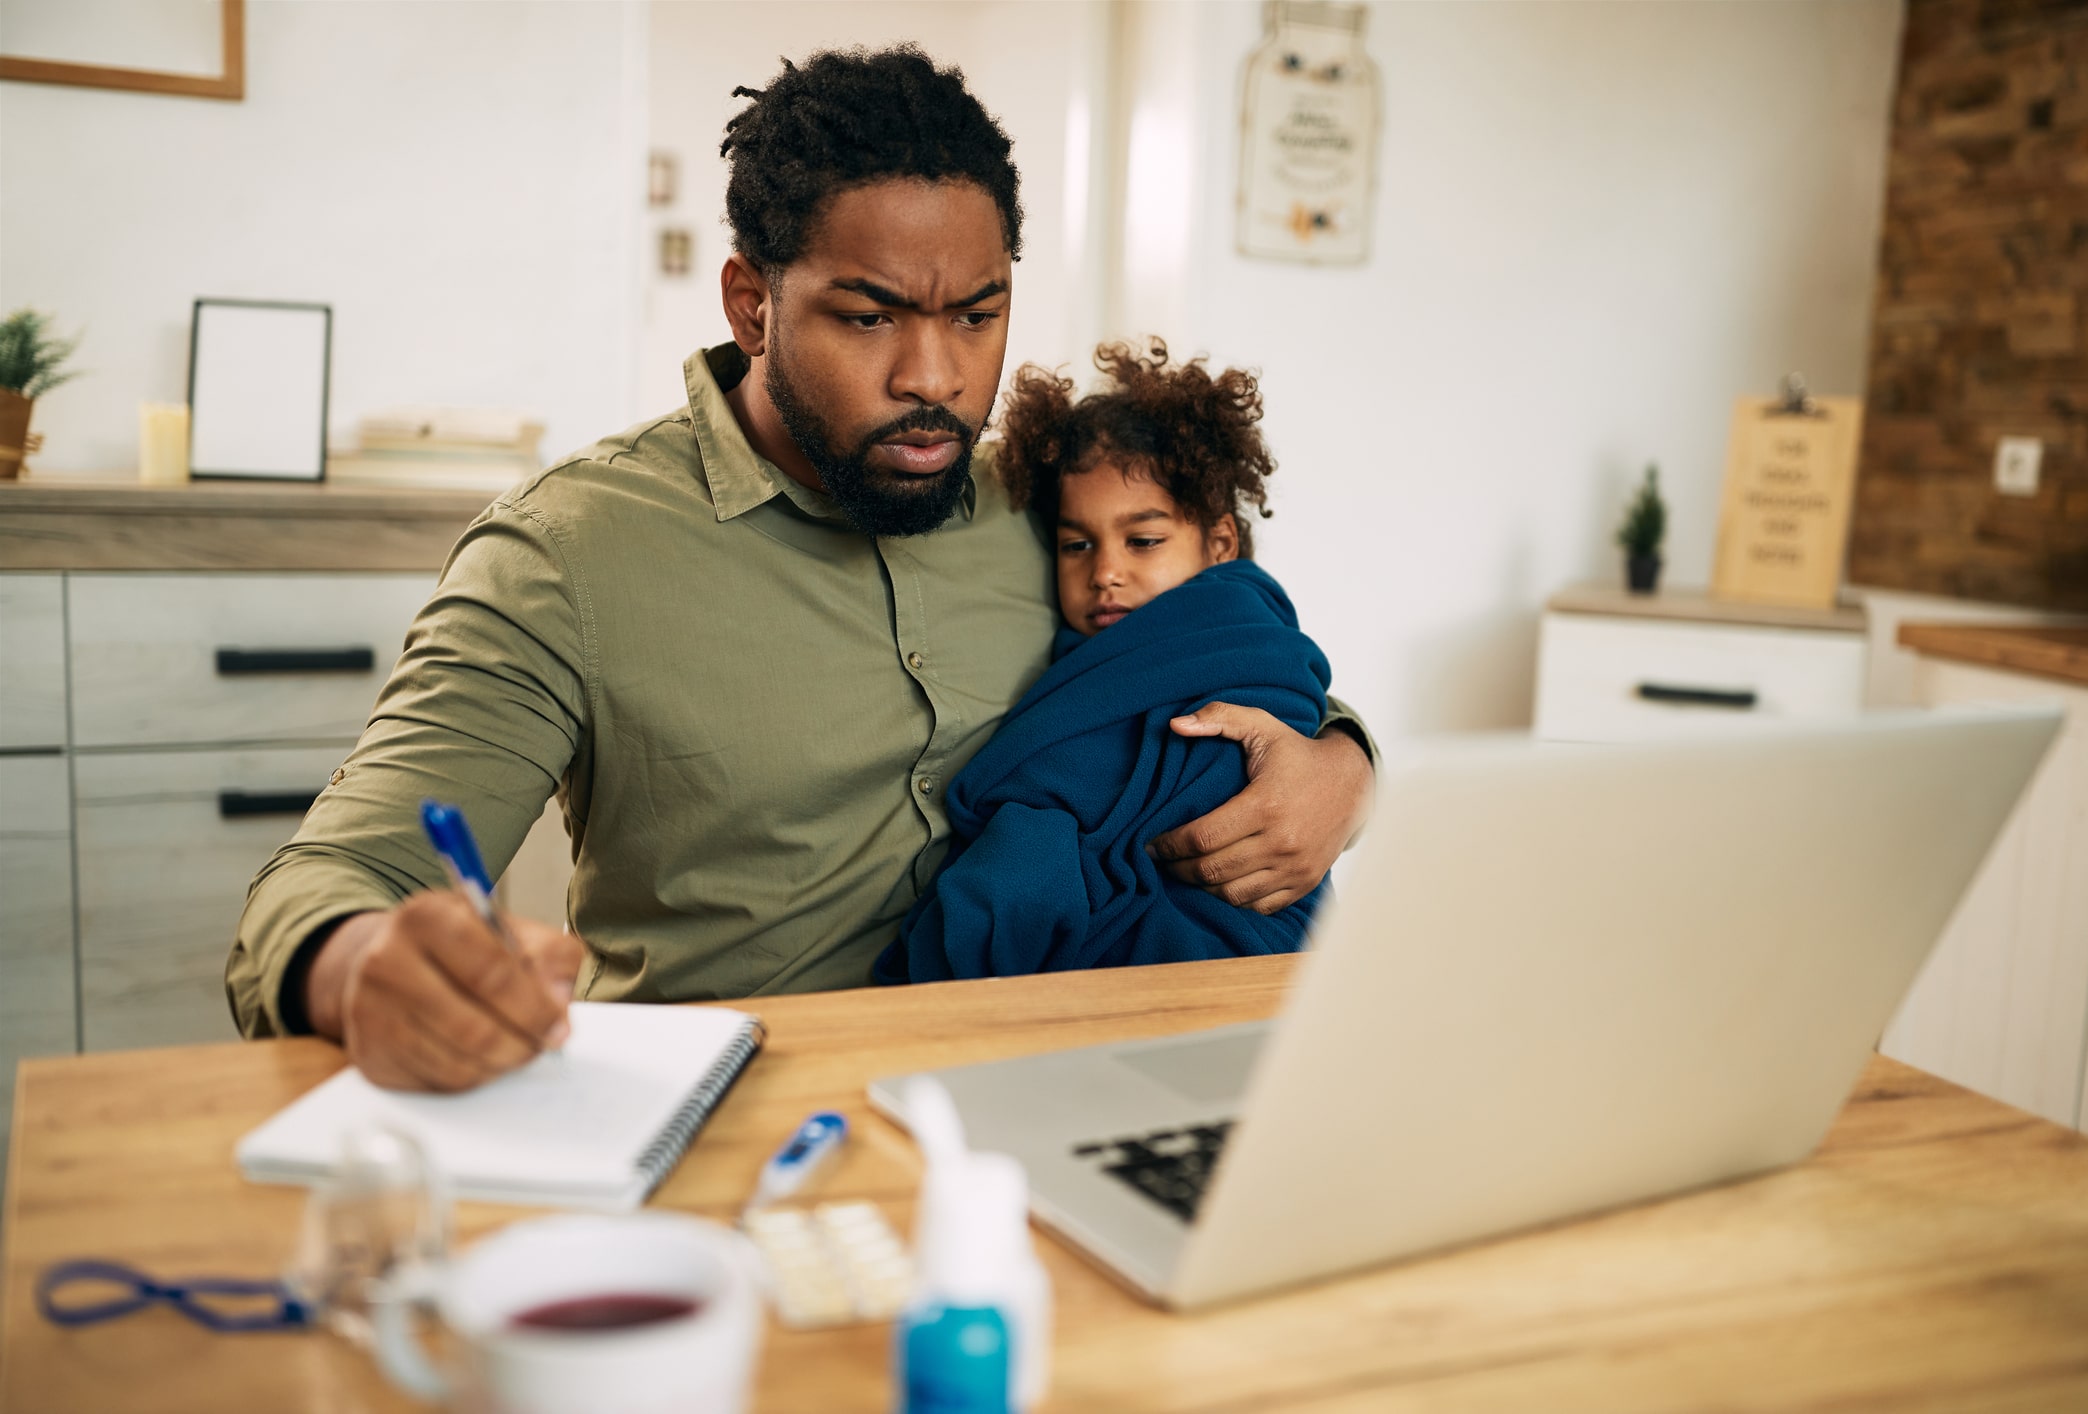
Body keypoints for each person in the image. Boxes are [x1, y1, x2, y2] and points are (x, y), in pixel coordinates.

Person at [224, 45, 1374, 1093]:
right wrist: (361, 958)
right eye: (870, 318)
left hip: (1066, 1073)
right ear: (753, 304)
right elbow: (331, 875)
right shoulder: (565, 552)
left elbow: (1213, 657)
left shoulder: (1045, 504)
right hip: (732, 1112)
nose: (935, 375)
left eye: (978, 315)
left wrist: (1343, 764)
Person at [875, 340, 1333, 983]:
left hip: (1230, 949)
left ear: (1221, 542)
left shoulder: (1236, 635)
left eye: (1143, 541)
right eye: (1076, 544)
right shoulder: (1079, 653)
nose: (1106, 573)